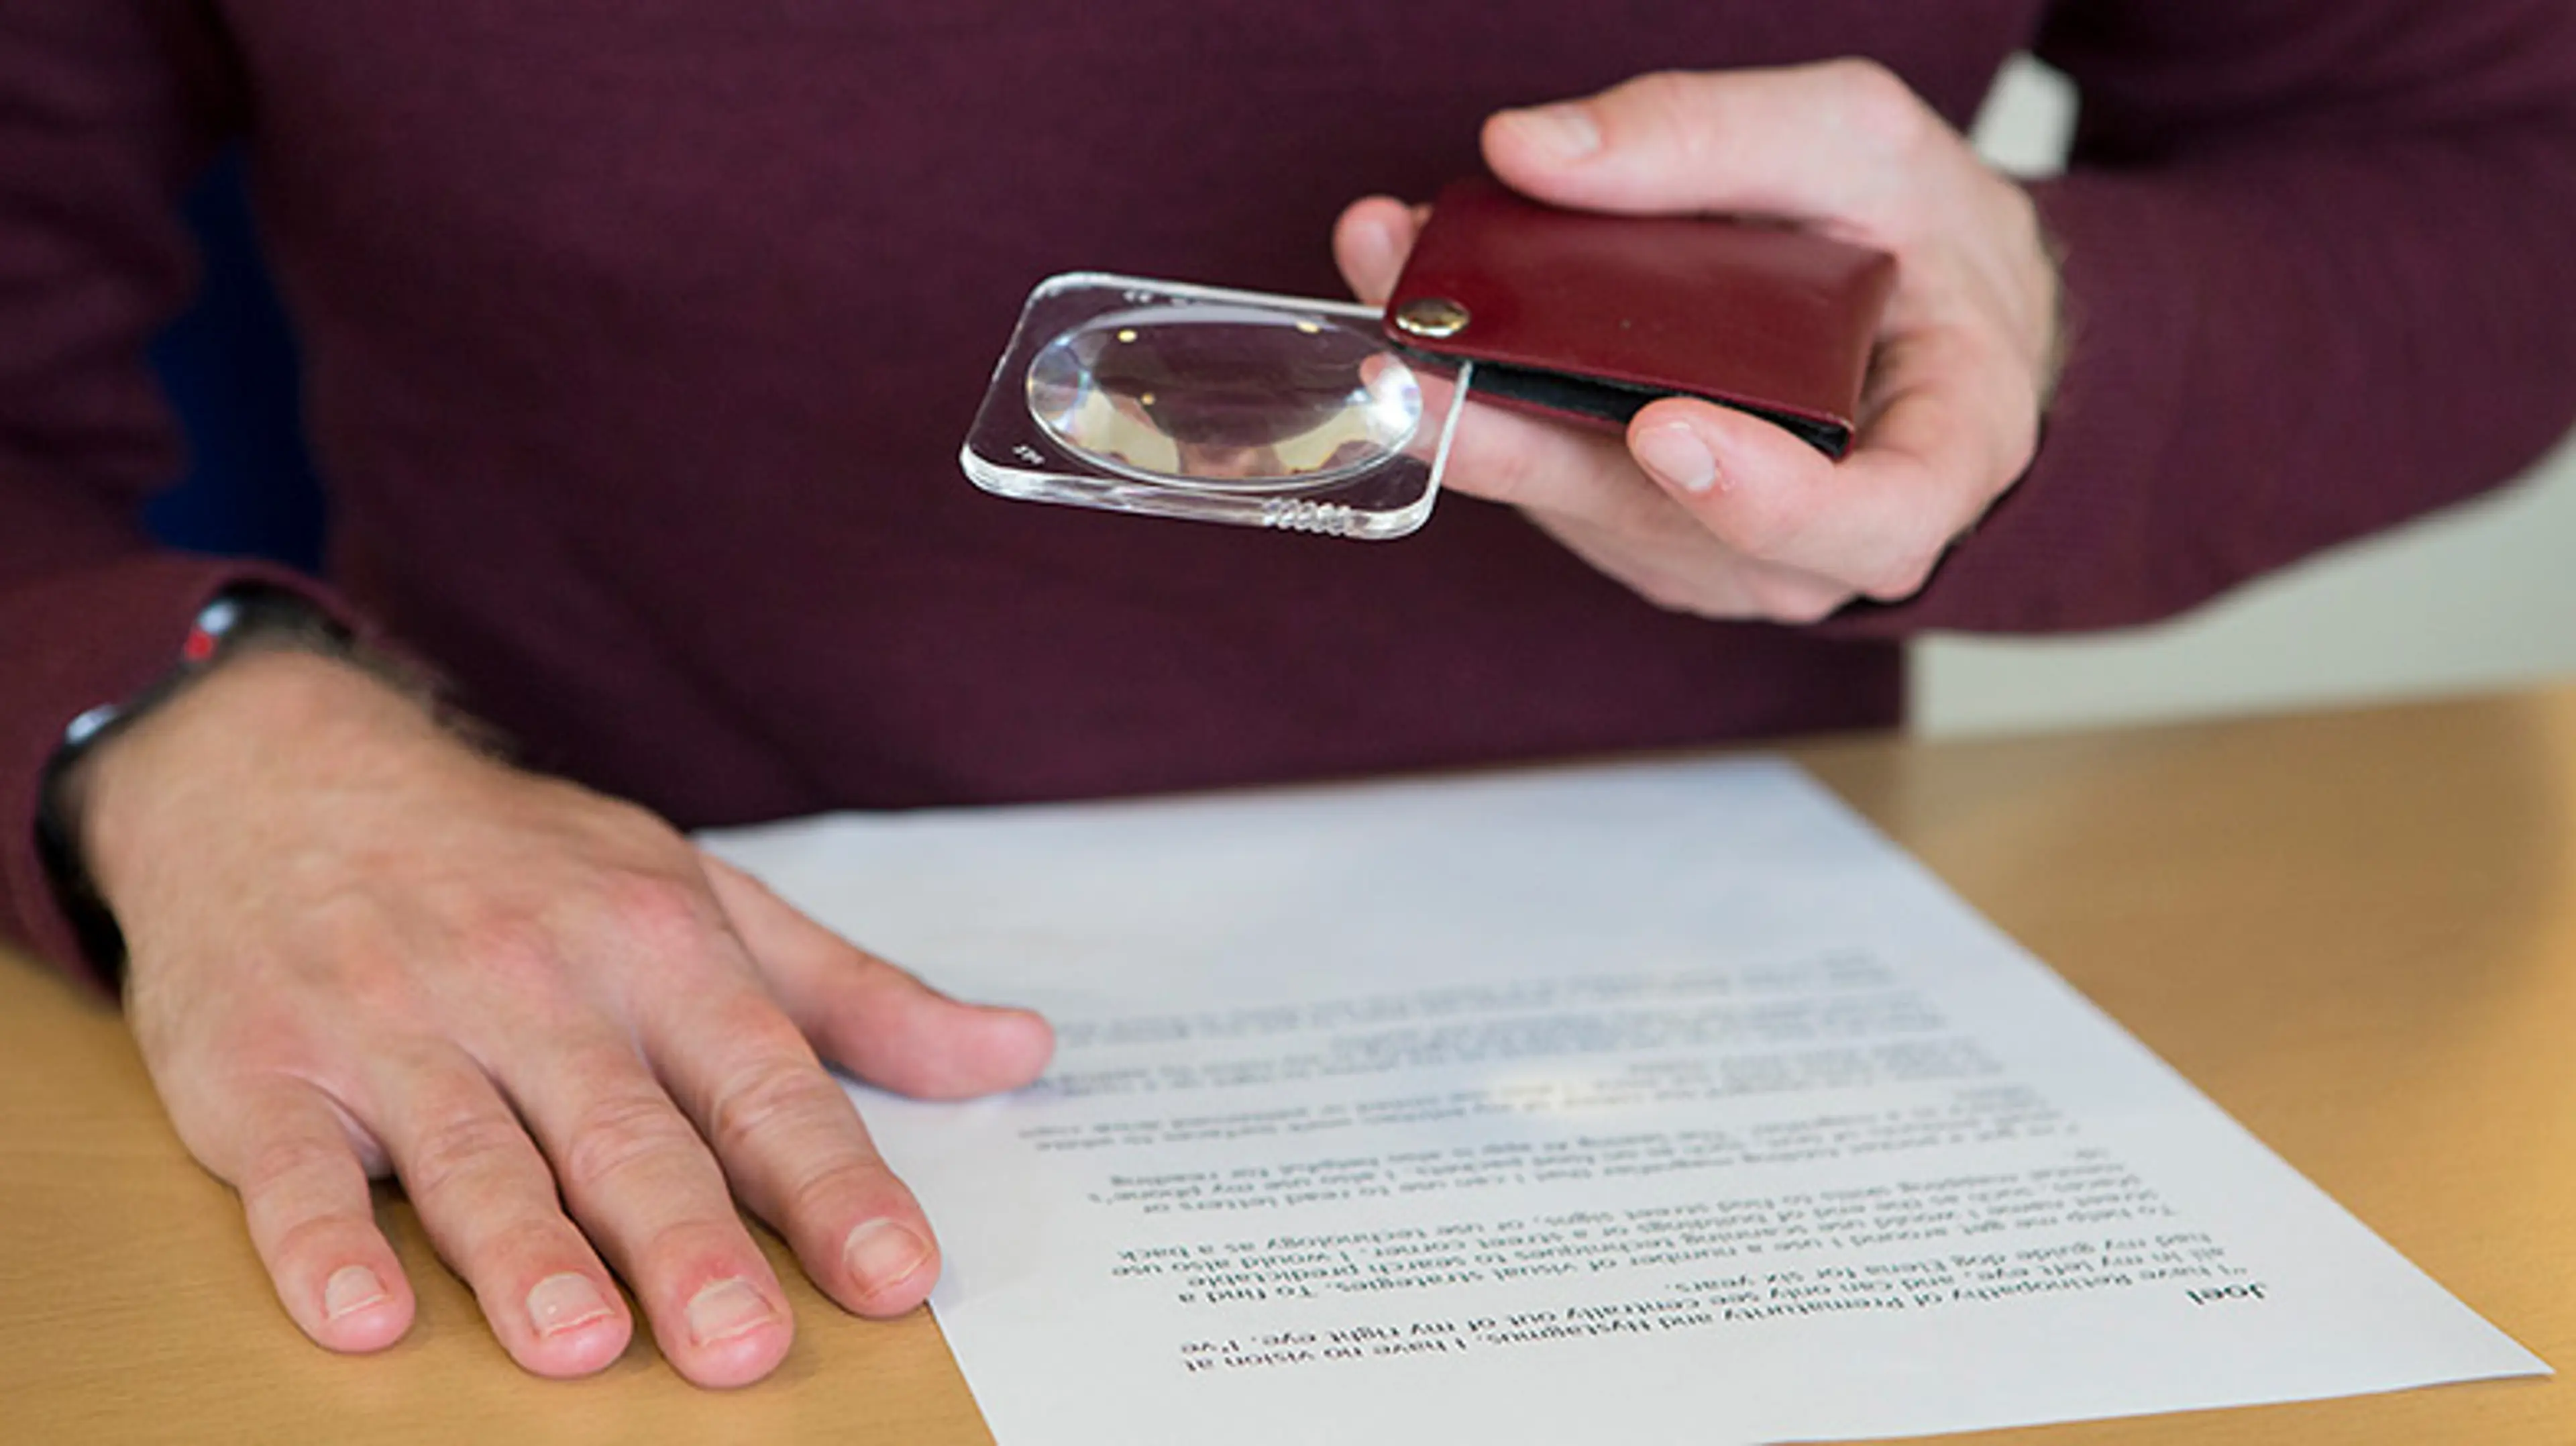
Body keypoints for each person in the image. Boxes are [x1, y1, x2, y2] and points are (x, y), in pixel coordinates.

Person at [4, 0, 2572, 1392]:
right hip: (555, 1038)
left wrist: (2044, 319)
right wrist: (179, 726)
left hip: (1707, 1082)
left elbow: (2496, 157)